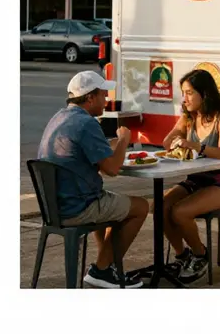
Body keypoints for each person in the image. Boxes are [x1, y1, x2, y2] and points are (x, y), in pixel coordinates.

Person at [37, 70, 148, 289]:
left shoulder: (61, 116)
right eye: (103, 95)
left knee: (111, 203)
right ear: (90, 98)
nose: (106, 100)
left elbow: (98, 154)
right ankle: (102, 270)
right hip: (77, 207)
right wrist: (125, 140)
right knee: (141, 207)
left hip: (56, 207)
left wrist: (115, 145)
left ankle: (105, 267)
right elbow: (112, 169)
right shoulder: (87, 123)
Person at [159, 69, 220, 283]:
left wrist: (194, 145)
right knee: (160, 207)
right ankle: (182, 256)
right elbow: (167, 143)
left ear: (204, 93)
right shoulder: (189, 116)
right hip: (197, 179)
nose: (184, 98)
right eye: (183, 93)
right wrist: (178, 131)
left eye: (189, 93)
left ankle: (199, 255)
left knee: (180, 212)